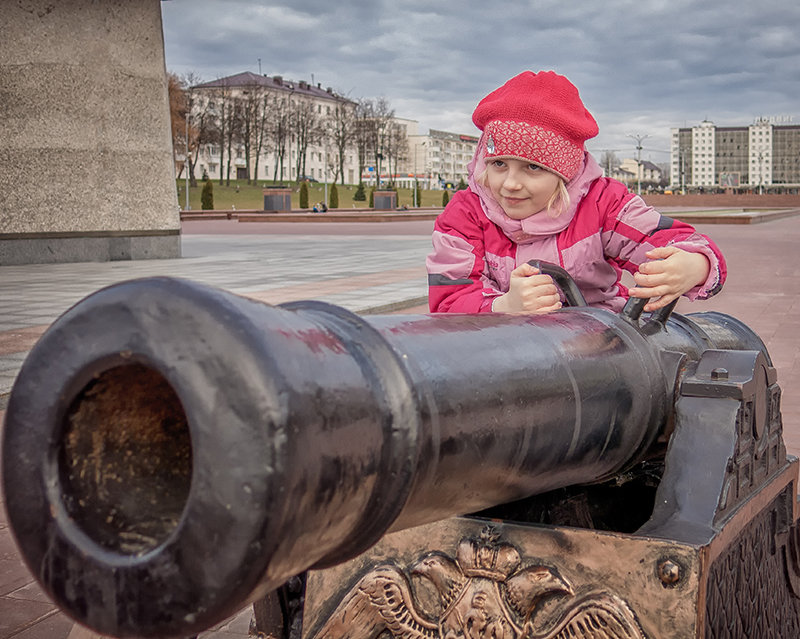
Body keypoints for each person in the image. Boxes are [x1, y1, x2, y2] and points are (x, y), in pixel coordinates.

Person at [427, 71, 726, 314]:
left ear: (564, 173)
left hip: (596, 344)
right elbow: (449, 298)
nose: (510, 183)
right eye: (499, 164)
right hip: (503, 351)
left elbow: (662, 239)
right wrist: (502, 306)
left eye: (533, 168)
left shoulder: (601, 204)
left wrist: (693, 265)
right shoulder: (466, 214)